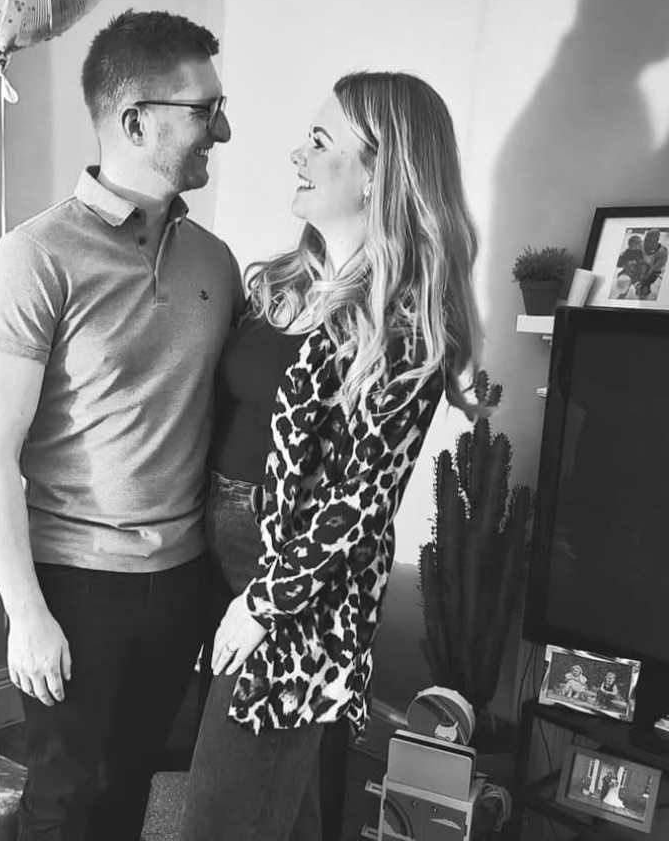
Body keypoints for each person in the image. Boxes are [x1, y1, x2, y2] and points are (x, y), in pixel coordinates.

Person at [180, 71, 484, 841]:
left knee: (225, 814)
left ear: (381, 170)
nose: (297, 154)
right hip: (215, 554)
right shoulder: (285, 287)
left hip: (291, 590)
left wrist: (263, 603)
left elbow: (358, 502)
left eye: (320, 142)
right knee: (276, 802)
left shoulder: (407, 323)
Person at [0, 9, 241, 841]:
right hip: (77, 587)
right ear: (135, 121)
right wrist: (25, 612)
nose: (223, 131)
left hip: (186, 581)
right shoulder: (33, 259)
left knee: (130, 794)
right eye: (204, 111)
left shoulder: (217, 261)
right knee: (64, 802)